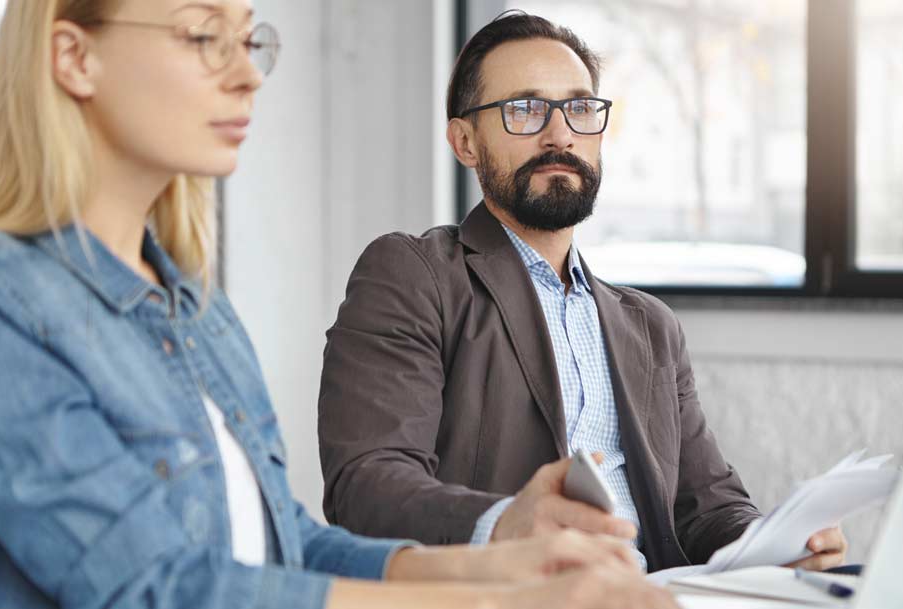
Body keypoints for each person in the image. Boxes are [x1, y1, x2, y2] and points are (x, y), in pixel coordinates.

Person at [0, 2, 680, 608]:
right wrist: (495, 595)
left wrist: (496, 559)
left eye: (249, 40)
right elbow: (159, 586)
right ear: (74, 57)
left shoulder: (197, 310)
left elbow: (285, 541)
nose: (248, 73)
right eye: (202, 37)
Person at [318, 11, 847, 573]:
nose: (560, 133)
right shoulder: (414, 275)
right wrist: (503, 525)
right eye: (523, 109)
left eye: (579, 108)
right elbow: (366, 486)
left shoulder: (650, 325)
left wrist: (779, 546)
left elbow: (707, 508)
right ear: (465, 142)